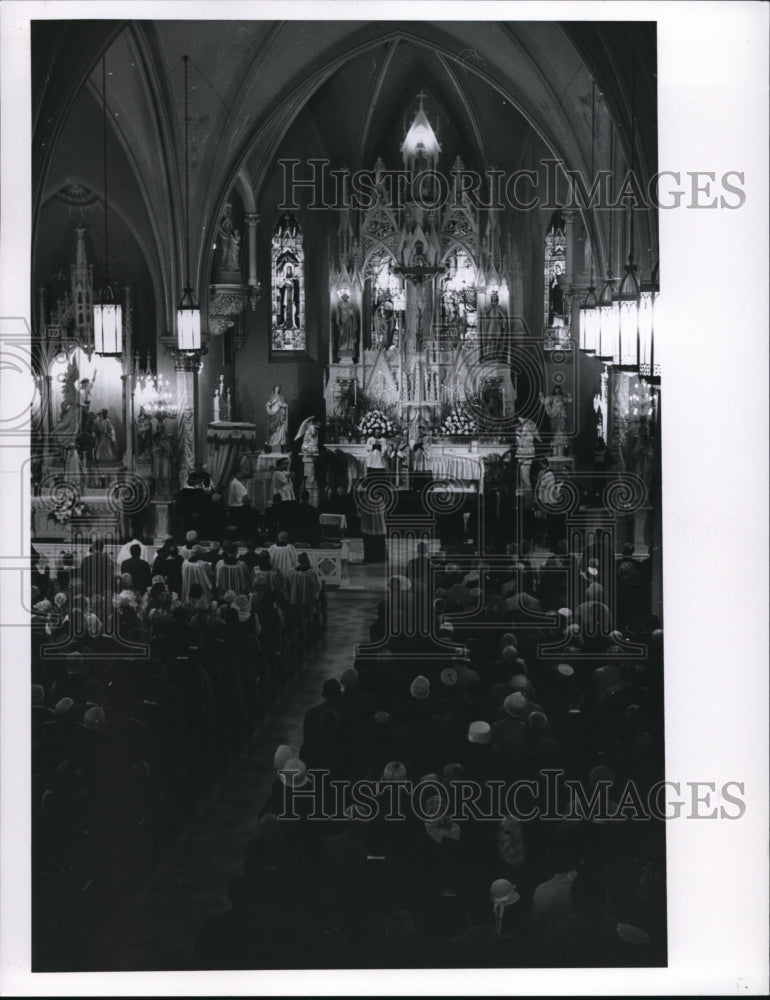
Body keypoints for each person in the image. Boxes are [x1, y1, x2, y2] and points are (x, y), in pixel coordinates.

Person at [265, 386, 289, 453]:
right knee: (273, 430)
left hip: (280, 414)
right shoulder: (272, 396)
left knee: (280, 428)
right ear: (274, 389)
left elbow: (283, 404)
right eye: (276, 389)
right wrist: (274, 402)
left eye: (278, 389)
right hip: (273, 414)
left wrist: (284, 405)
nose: (277, 390)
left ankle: (280, 443)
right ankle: (272, 442)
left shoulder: (282, 397)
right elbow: (268, 404)